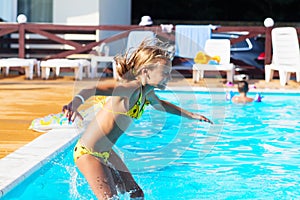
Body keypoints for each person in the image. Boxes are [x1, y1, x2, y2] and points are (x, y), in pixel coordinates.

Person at [63, 40, 213, 199]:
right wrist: (74, 104)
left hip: (106, 151)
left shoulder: (146, 92)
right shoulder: (129, 88)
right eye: (164, 73)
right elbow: (91, 89)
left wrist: (191, 115)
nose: (169, 77)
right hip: (89, 153)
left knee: (137, 194)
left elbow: (160, 104)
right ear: (146, 71)